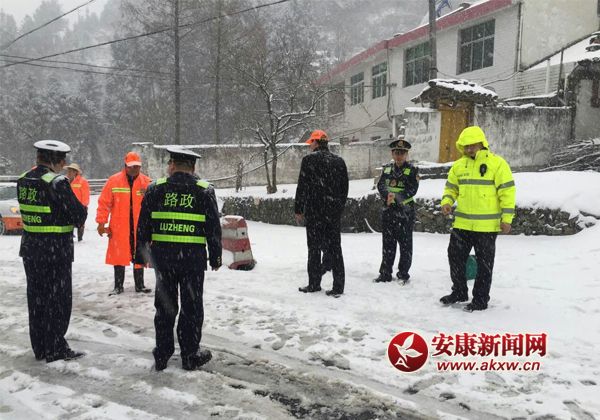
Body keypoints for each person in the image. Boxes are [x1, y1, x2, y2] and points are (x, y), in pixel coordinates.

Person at [135, 146, 222, 371]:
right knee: (191, 307)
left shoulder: (155, 189)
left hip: (163, 259)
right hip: (192, 260)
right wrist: (215, 256)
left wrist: (141, 255)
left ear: (172, 165)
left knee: (165, 306)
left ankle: (162, 354)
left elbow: (143, 226)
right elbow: (213, 227)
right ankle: (190, 354)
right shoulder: (204, 190)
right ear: (193, 167)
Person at [17, 140, 87, 362]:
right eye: (63, 160)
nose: (64, 165)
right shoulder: (57, 182)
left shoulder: (23, 180)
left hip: (31, 250)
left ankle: (40, 347)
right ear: (57, 161)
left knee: (36, 299)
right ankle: (55, 347)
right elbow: (78, 215)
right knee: (58, 300)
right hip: (55, 251)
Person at [439, 126, 516, 312]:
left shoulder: (498, 164)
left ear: (482, 143)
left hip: (486, 227)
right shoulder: (458, 166)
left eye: (472, 145)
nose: (469, 149)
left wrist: (507, 218)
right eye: (465, 146)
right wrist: (447, 202)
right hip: (462, 224)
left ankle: (480, 300)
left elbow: (507, 192)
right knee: (455, 258)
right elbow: (451, 188)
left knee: (484, 266)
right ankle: (459, 292)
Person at [295, 129, 349, 297]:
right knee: (335, 249)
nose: (309, 146)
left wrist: (299, 209)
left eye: (311, 143)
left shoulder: (308, 161)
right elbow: (344, 188)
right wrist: (338, 207)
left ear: (316, 142)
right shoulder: (339, 161)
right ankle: (338, 286)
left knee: (314, 249)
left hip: (314, 212)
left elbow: (302, 187)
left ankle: (314, 283)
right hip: (332, 213)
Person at [96, 152, 152, 295]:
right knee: (119, 256)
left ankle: (140, 285)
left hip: (140, 226)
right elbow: (104, 203)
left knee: (139, 255)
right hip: (119, 227)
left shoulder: (147, 182)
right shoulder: (114, 181)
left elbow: (153, 206)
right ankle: (118, 286)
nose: (134, 169)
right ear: (125, 166)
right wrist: (101, 222)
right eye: (131, 166)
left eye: (137, 166)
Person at [373, 137, 419, 284]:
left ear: (406, 155)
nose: (399, 156)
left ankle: (403, 274)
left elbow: (412, 189)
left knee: (405, 246)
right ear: (392, 154)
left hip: (405, 212)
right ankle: (385, 273)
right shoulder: (387, 169)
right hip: (389, 211)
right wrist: (387, 196)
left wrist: (397, 198)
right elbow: (381, 185)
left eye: (402, 153)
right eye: (396, 153)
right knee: (388, 244)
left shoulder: (412, 170)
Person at [64, 163, 90, 241]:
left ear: (75, 172)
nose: (69, 172)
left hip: (79, 206)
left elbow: (85, 195)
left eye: (71, 171)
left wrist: (83, 207)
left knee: (80, 224)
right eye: (68, 171)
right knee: (68, 223)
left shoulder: (82, 182)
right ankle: (70, 237)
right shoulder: (65, 181)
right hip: (68, 206)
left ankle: (80, 239)